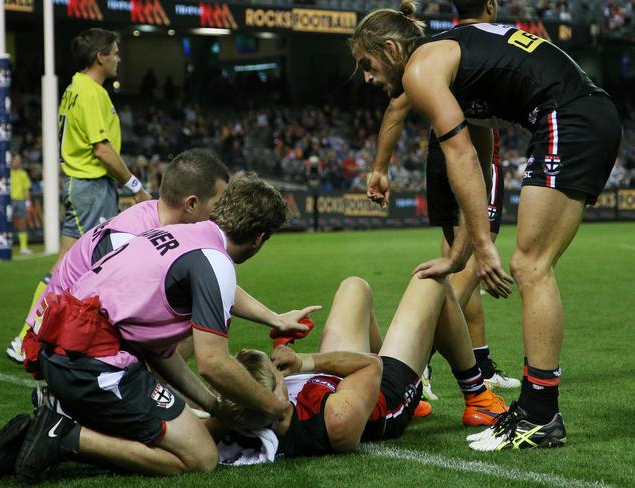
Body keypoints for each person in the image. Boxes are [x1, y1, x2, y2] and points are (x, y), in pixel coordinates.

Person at [350, 0, 621, 449]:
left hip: (566, 116)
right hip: (584, 113)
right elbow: (477, 160)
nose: (367, 77)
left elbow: (458, 157)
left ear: (394, 49)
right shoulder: (458, 65)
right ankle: (538, 410)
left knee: (530, 266)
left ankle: (539, 415)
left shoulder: (421, 70)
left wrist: (481, 242)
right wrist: (462, 252)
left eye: (367, 63)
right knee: (533, 265)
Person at [0, 175, 293, 483]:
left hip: (61, 349)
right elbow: (214, 364)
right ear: (258, 238)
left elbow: (159, 352)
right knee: (201, 456)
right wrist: (276, 408)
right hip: (93, 363)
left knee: (173, 430)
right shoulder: (214, 263)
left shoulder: (176, 234)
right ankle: (66, 433)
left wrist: (213, 406)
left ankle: (29, 438)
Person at [8, 149, 313, 365]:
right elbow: (105, 316)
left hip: (71, 334)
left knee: (201, 307)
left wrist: (273, 318)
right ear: (192, 204)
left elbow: (214, 287)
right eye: (219, 202)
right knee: (193, 316)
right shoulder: (128, 237)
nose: (224, 212)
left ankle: (156, 394)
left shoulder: (162, 223)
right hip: (62, 343)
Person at [367, 0, 519, 394]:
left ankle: (480, 362)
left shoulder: (435, 54)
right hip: (469, 158)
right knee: (464, 269)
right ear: (490, 6)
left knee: (455, 261)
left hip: (442, 153)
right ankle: (414, 367)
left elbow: (395, 109)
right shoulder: (464, 51)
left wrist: (380, 168)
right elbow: (469, 148)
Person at [217, 275, 508, 459]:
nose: (277, 371)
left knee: (354, 286)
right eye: (276, 374)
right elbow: (370, 366)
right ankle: (478, 397)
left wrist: (283, 343)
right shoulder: (335, 420)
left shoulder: (240, 407)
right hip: (378, 392)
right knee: (432, 283)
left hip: (332, 380)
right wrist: (303, 360)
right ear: (275, 400)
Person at [6, 28, 152, 364]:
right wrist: (137, 189)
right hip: (90, 186)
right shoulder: (89, 92)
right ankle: (35, 336)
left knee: (63, 269)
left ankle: (30, 336)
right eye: (115, 52)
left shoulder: (77, 87)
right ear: (100, 56)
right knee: (94, 266)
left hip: (82, 185)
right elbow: (102, 150)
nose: (118, 57)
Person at [9, 153, 34, 256]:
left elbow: (26, 189)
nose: (17, 163)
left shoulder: (23, 174)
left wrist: (28, 203)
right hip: (9, 201)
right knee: (7, 223)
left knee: (22, 223)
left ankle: (23, 247)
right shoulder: (6, 173)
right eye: (15, 161)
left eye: (18, 161)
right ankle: (7, 245)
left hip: (20, 201)